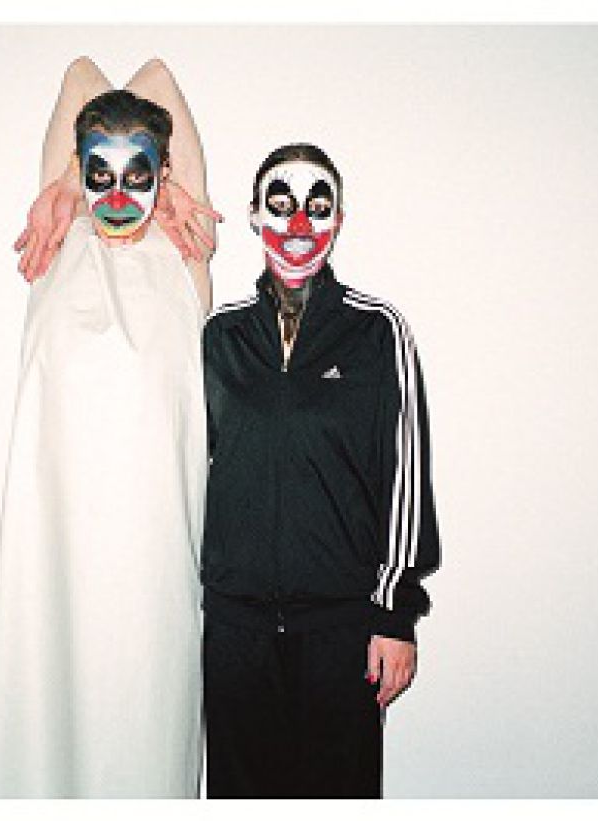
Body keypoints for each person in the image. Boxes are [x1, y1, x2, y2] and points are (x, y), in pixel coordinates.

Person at [0, 57, 219, 798]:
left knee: (145, 726)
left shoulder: (187, 261)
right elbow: (80, 73)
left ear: (163, 173)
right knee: (47, 727)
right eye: (97, 173)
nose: (115, 195)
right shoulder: (56, 252)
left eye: (137, 175)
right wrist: (63, 191)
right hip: (54, 558)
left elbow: (158, 76)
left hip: (151, 562)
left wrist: (172, 190)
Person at [199, 143, 441, 798]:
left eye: (317, 205)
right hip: (237, 630)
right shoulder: (219, 336)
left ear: (339, 219)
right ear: (254, 216)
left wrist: (395, 616)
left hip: (341, 629)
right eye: (280, 206)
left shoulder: (378, 331)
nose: (299, 224)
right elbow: (190, 470)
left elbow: (405, 477)